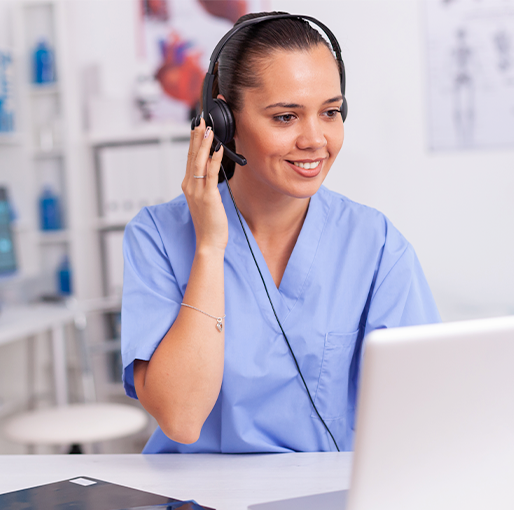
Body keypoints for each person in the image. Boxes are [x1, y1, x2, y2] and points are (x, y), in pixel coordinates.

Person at [121, 12, 440, 454]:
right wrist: (211, 248)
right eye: (286, 117)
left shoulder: (375, 243)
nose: (315, 139)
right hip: (201, 496)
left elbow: (423, 411)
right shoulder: (157, 236)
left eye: (331, 112)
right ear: (223, 120)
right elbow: (181, 418)